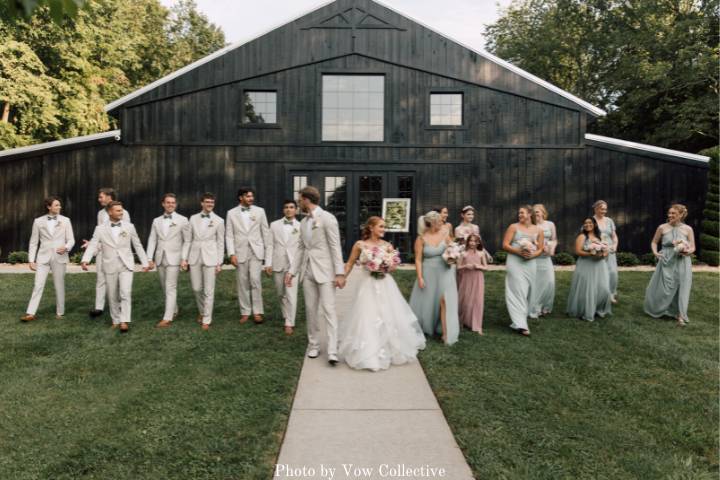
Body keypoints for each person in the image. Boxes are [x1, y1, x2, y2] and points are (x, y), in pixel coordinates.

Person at [337, 217, 426, 371]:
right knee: (367, 315)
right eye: (381, 226)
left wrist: (387, 266)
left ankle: (389, 348)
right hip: (367, 284)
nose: (384, 229)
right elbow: (350, 263)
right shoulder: (360, 245)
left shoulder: (387, 246)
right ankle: (368, 352)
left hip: (385, 284)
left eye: (384, 227)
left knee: (387, 314)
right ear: (371, 228)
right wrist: (343, 277)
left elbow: (393, 267)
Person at [286, 186, 346, 366]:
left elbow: (335, 247)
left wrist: (339, 273)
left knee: (329, 309)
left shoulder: (328, 218)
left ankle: (333, 350)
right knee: (311, 310)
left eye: (300, 199)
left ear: (306, 199)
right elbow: (301, 248)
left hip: (326, 271)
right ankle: (313, 345)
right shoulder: (303, 223)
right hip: (308, 271)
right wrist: (291, 272)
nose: (298, 202)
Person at [81, 201, 149, 332]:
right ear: (110, 212)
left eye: (121, 210)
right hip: (109, 264)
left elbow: (138, 245)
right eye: (118, 210)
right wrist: (85, 260)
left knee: (125, 292)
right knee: (112, 295)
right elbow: (94, 244)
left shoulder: (129, 227)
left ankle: (124, 321)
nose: (121, 212)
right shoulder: (100, 229)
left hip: (126, 264)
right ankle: (115, 319)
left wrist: (145, 263)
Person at [21, 196, 75, 322]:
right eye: (56, 205)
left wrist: (66, 247)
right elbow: (33, 242)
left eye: (59, 205)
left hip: (59, 257)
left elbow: (71, 239)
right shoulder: (38, 221)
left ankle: (60, 312)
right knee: (38, 285)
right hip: (42, 257)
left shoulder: (66, 220)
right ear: (49, 207)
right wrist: (31, 260)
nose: (59, 207)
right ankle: (30, 313)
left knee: (59, 285)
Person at [409, 211, 459, 345]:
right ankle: (427, 326)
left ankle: (446, 333)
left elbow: (453, 250)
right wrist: (420, 277)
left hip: (445, 271)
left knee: (445, 300)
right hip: (428, 272)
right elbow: (418, 259)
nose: (442, 223)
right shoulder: (421, 239)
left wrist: (453, 258)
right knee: (429, 300)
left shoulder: (445, 234)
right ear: (431, 223)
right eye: (439, 222)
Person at [643, 204, 695, 326]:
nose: (670, 215)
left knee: (682, 286)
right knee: (664, 287)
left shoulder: (688, 229)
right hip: (666, 260)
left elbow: (693, 247)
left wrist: (687, 251)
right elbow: (654, 242)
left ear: (681, 215)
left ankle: (681, 315)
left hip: (682, 261)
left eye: (674, 213)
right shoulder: (662, 227)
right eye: (669, 213)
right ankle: (659, 308)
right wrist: (655, 253)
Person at [226, 187, 271, 324]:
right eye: (248, 196)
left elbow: (266, 233)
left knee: (255, 280)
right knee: (242, 282)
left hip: (256, 251)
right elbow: (229, 235)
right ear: (241, 197)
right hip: (240, 252)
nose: (251, 198)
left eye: (252, 196)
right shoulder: (231, 213)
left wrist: (267, 256)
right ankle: (245, 311)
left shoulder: (260, 211)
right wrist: (231, 254)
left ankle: (257, 312)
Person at [84, 188, 131, 318]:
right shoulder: (100, 213)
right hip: (102, 251)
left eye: (101, 197)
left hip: (117, 253)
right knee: (100, 278)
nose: (99, 199)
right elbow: (99, 233)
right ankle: (99, 307)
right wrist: (92, 246)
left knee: (119, 280)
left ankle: (121, 304)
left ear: (109, 197)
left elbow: (126, 233)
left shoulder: (124, 213)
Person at [146, 193, 190, 328]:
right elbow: (152, 239)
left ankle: (167, 317)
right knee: (165, 287)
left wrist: (184, 258)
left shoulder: (183, 220)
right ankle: (175, 309)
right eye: (168, 202)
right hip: (160, 258)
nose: (170, 204)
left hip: (175, 258)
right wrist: (149, 258)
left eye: (173, 202)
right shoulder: (156, 221)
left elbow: (187, 241)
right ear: (163, 204)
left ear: (175, 204)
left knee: (171, 286)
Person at [183, 193, 224, 331]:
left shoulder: (219, 220)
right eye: (207, 202)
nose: (210, 204)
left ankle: (207, 318)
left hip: (211, 257)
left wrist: (219, 262)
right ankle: (202, 311)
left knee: (209, 290)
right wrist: (184, 258)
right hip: (194, 256)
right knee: (196, 288)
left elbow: (220, 242)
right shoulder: (193, 218)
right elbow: (188, 240)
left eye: (212, 202)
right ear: (202, 203)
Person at [502, 205, 544, 336]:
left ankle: (520, 317)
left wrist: (532, 255)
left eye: (522, 213)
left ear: (529, 214)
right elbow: (505, 245)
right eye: (519, 213)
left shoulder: (538, 230)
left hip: (530, 263)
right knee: (517, 290)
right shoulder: (513, 227)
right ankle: (521, 324)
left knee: (526, 290)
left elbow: (540, 249)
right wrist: (519, 252)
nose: (519, 215)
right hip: (515, 261)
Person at [566, 217, 612, 321]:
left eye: (590, 222)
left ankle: (598, 308)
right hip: (586, 265)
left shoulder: (600, 236)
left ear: (595, 224)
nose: (587, 224)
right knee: (587, 288)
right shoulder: (582, 236)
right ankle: (585, 310)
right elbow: (577, 251)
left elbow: (606, 249)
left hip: (600, 266)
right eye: (585, 223)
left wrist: (604, 253)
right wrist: (590, 253)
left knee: (603, 288)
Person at [268, 200, 302, 335]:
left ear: (296, 210)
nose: (289, 209)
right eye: (286, 207)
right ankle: (286, 314)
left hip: (293, 264)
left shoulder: (301, 226)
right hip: (278, 262)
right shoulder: (274, 225)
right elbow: (270, 245)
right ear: (283, 210)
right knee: (280, 293)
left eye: (292, 207)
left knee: (291, 294)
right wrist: (268, 263)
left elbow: (302, 248)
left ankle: (289, 322)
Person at [530, 204, 557, 318]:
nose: (536, 214)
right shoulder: (531, 225)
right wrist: (539, 247)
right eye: (534, 212)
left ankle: (546, 305)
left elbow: (554, 239)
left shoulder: (550, 224)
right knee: (536, 283)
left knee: (549, 282)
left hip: (546, 257)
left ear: (543, 212)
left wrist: (551, 249)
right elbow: (529, 241)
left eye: (537, 212)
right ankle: (535, 307)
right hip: (535, 257)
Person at [457, 233, 487, 335]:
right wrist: (465, 266)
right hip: (466, 278)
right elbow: (458, 267)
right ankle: (462, 321)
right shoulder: (463, 254)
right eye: (471, 241)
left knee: (477, 300)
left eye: (475, 241)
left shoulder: (481, 253)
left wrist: (478, 266)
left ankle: (477, 325)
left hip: (478, 278)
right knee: (465, 300)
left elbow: (485, 267)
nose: (472, 243)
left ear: (478, 242)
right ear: (467, 242)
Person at [593, 200, 619, 303]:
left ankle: (611, 294)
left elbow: (614, 236)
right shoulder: (591, 221)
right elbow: (587, 236)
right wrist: (596, 246)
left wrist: (615, 245)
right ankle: (598, 294)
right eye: (601, 209)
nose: (604, 211)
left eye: (605, 209)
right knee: (599, 273)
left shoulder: (609, 221)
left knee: (612, 273)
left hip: (610, 250)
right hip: (598, 250)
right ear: (596, 209)